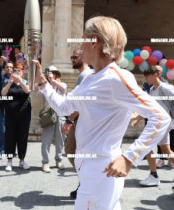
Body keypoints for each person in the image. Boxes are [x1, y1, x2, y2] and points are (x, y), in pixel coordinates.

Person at [34, 16, 170, 210]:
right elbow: (65, 107)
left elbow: (160, 117)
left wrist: (129, 158)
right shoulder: (90, 79)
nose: (80, 45)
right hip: (89, 172)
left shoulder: (117, 77)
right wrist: (43, 85)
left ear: (95, 41)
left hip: (102, 172)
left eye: (83, 39)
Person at [132, 66, 174, 187]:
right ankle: (153, 176)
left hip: (163, 124)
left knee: (147, 146)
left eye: (147, 75)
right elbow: (149, 108)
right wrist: (138, 118)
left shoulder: (165, 88)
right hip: (158, 124)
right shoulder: (151, 90)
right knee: (166, 151)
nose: (145, 78)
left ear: (155, 75)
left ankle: (153, 175)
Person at [62, 49, 93, 198]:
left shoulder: (86, 75)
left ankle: (87, 183)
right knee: (71, 151)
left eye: (75, 57)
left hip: (81, 121)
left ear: (84, 57)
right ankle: (86, 182)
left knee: (73, 151)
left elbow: (82, 103)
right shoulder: (83, 75)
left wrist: (69, 120)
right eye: (71, 57)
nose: (72, 60)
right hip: (78, 120)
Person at [1, 62, 31, 171]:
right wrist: (10, 82)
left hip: (24, 114)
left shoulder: (26, 82)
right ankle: (9, 162)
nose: (17, 72)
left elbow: (27, 90)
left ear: (23, 72)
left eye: (19, 70)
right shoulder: (8, 82)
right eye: (15, 70)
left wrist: (20, 81)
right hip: (10, 114)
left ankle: (22, 160)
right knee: (10, 137)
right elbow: (3, 93)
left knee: (22, 137)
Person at [40, 66, 67, 173]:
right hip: (48, 114)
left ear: (56, 74)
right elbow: (37, 90)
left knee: (60, 139)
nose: (50, 74)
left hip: (60, 113)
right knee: (46, 139)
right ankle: (45, 162)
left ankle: (59, 160)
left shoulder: (61, 84)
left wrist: (52, 81)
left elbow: (63, 88)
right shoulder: (45, 86)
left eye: (52, 72)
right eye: (49, 72)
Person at [0, 56, 13, 158]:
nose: (9, 69)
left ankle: (11, 150)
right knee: (3, 129)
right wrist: (1, 61)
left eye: (11, 67)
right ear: (5, 68)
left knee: (12, 130)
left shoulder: (15, 78)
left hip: (13, 107)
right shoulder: (2, 78)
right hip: (2, 106)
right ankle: (2, 150)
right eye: (7, 67)